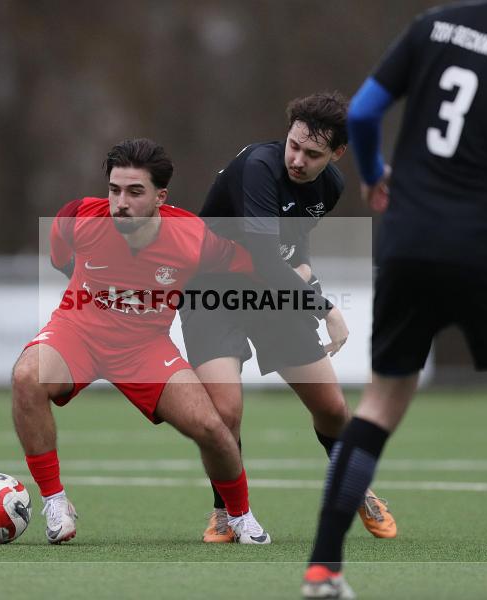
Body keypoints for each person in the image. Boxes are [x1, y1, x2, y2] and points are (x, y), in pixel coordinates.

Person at [301, 1, 487, 598]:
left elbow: (361, 112)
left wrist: (373, 174)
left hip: (408, 242)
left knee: (379, 406)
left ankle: (323, 567)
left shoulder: (434, 25)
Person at [12, 138, 271, 545]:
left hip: (144, 348)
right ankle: (56, 502)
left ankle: (240, 517)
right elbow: (59, 250)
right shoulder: (80, 216)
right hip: (78, 331)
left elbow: (249, 263)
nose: (121, 203)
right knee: (27, 376)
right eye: (114, 190)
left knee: (213, 427)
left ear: (160, 197)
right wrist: (77, 284)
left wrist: (300, 283)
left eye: (135, 192)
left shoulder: (192, 237)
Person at [181, 92, 396, 543]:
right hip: (213, 292)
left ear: (337, 153)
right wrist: (324, 306)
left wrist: (303, 268)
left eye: (312, 153)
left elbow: (291, 241)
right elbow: (264, 257)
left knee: (332, 407)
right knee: (225, 411)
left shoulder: (331, 185)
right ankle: (225, 511)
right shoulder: (259, 168)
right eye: (294, 145)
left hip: (273, 292)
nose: (297, 159)